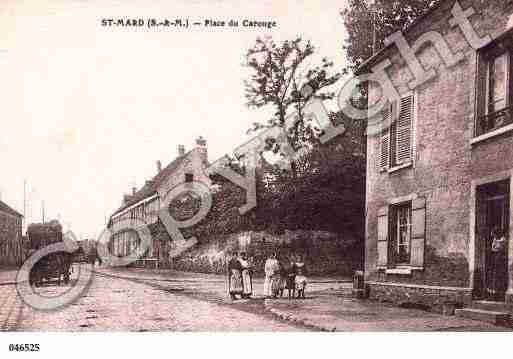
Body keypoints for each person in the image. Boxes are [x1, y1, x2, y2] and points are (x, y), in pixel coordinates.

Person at [490, 227, 507, 300]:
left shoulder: (503, 239)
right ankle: (494, 293)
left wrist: (496, 246)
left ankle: (500, 293)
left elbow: (500, 248)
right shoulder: (496, 239)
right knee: (494, 274)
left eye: (495, 234)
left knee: (500, 275)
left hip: (501, 259)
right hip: (496, 258)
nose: (494, 236)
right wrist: (496, 247)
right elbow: (493, 248)